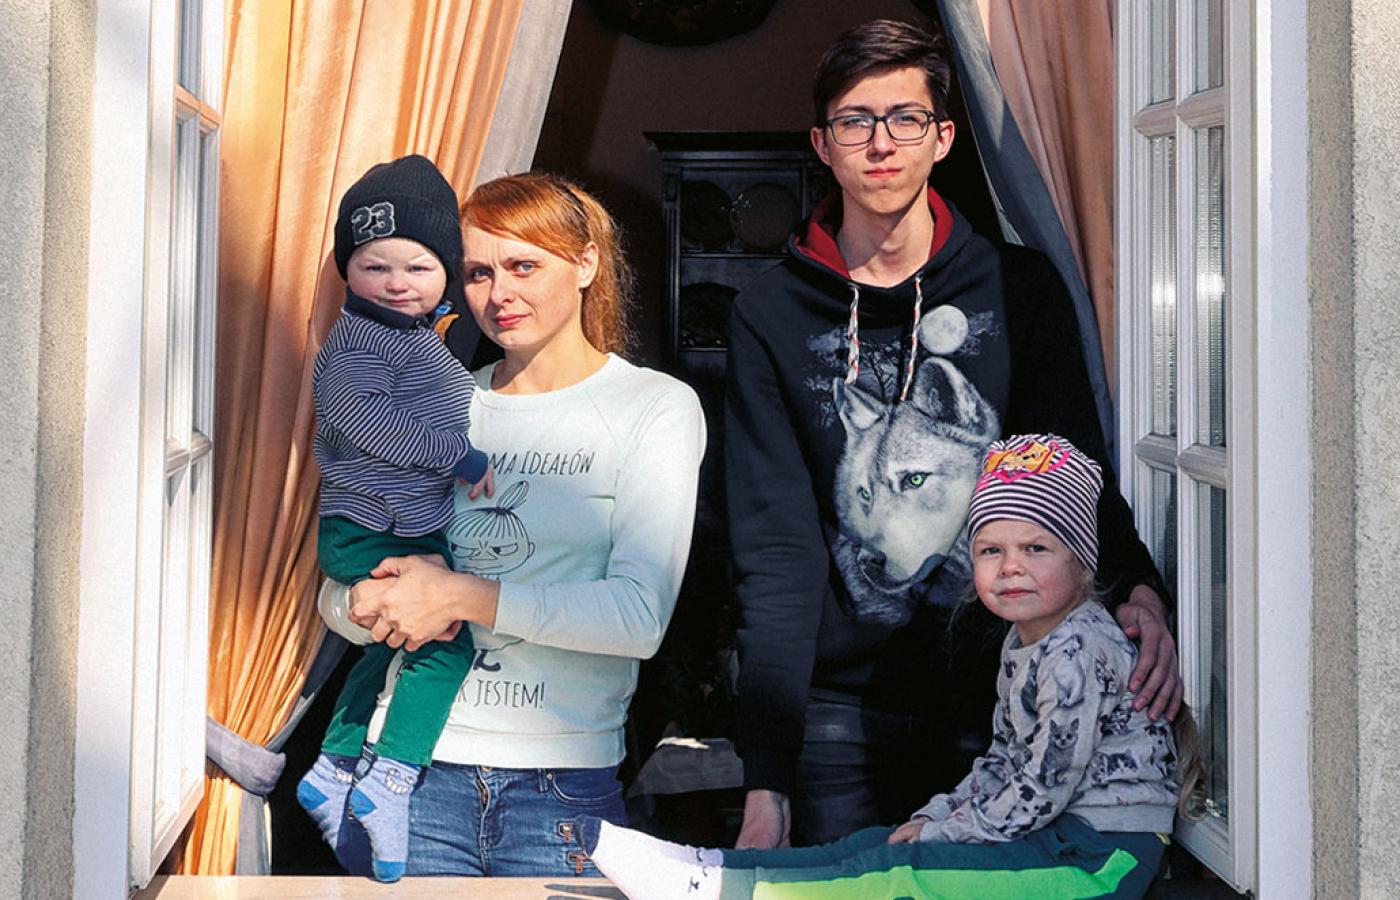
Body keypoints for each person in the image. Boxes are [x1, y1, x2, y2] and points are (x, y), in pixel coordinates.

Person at [725, 18, 1184, 849]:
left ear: (942, 137)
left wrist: (1138, 589)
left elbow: (1069, 470)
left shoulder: (1017, 287)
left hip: (1009, 692)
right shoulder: (770, 314)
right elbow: (777, 547)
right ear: (822, 145)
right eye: (855, 121)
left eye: (905, 119)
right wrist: (767, 777)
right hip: (839, 715)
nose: (880, 143)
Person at [581, 434, 1202, 900]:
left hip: (1098, 858)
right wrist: (936, 815)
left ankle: (722, 890)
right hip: (1057, 833)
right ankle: (711, 868)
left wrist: (949, 833)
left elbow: (1043, 784)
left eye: (1035, 548)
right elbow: (1004, 759)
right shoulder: (1027, 641)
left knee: (902, 876)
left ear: (1082, 563)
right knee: (876, 844)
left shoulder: (1077, 649)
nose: (1011, 566)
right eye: (991, 549)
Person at [316, 172, 707, 879]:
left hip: (560, 788)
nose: (499, 294)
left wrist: (461, 595)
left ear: (585, 263)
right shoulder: (434, 401)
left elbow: (639, 618)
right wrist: (359, 602)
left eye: (524, 266)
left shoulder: (653, 408)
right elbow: (343, 586)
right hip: (405, 779)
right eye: (477, 272)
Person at [296, 154, 495, 882]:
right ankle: (391, 779)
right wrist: (457, 456)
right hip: (370, 528)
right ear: (348, 272)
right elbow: (361, 419)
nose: (397, 282)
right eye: (375, 266)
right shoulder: (359, 342)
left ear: (446, 272)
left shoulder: (413, 337)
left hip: (397, 525)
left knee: (387, 651)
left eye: (418, 266)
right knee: (444, 645)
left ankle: (334, 765)